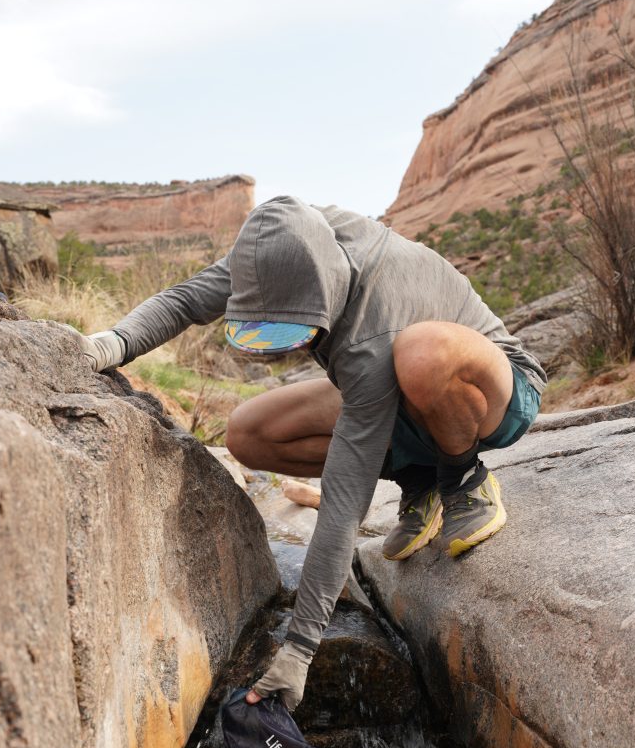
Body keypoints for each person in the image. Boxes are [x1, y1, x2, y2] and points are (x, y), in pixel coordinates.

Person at [75, 195, 546, 712]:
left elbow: (344, 501)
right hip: (397, 390)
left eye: (300, 333)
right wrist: (111, 343)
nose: (296, 349)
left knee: (422, 355)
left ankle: (461, 479)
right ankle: (421, 481)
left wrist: (299, 648)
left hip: (492, 392)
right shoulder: (276, 250)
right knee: (249, 433)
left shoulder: (374, 321)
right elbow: (187, 299)